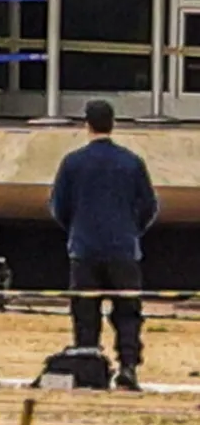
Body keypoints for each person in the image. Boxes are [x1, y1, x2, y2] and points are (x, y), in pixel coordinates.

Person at [50, 100, 158, 392]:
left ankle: (89, 366)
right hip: (123, 248)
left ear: (86, 124)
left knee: (85, 311)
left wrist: (76, 228)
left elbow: (59, 206)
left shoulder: (72, 162)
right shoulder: (131, 162)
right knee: (128, 311)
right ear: (113, 123)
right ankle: (128, 367)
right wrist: (132, 230)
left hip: (84, 248)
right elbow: (149, 205)